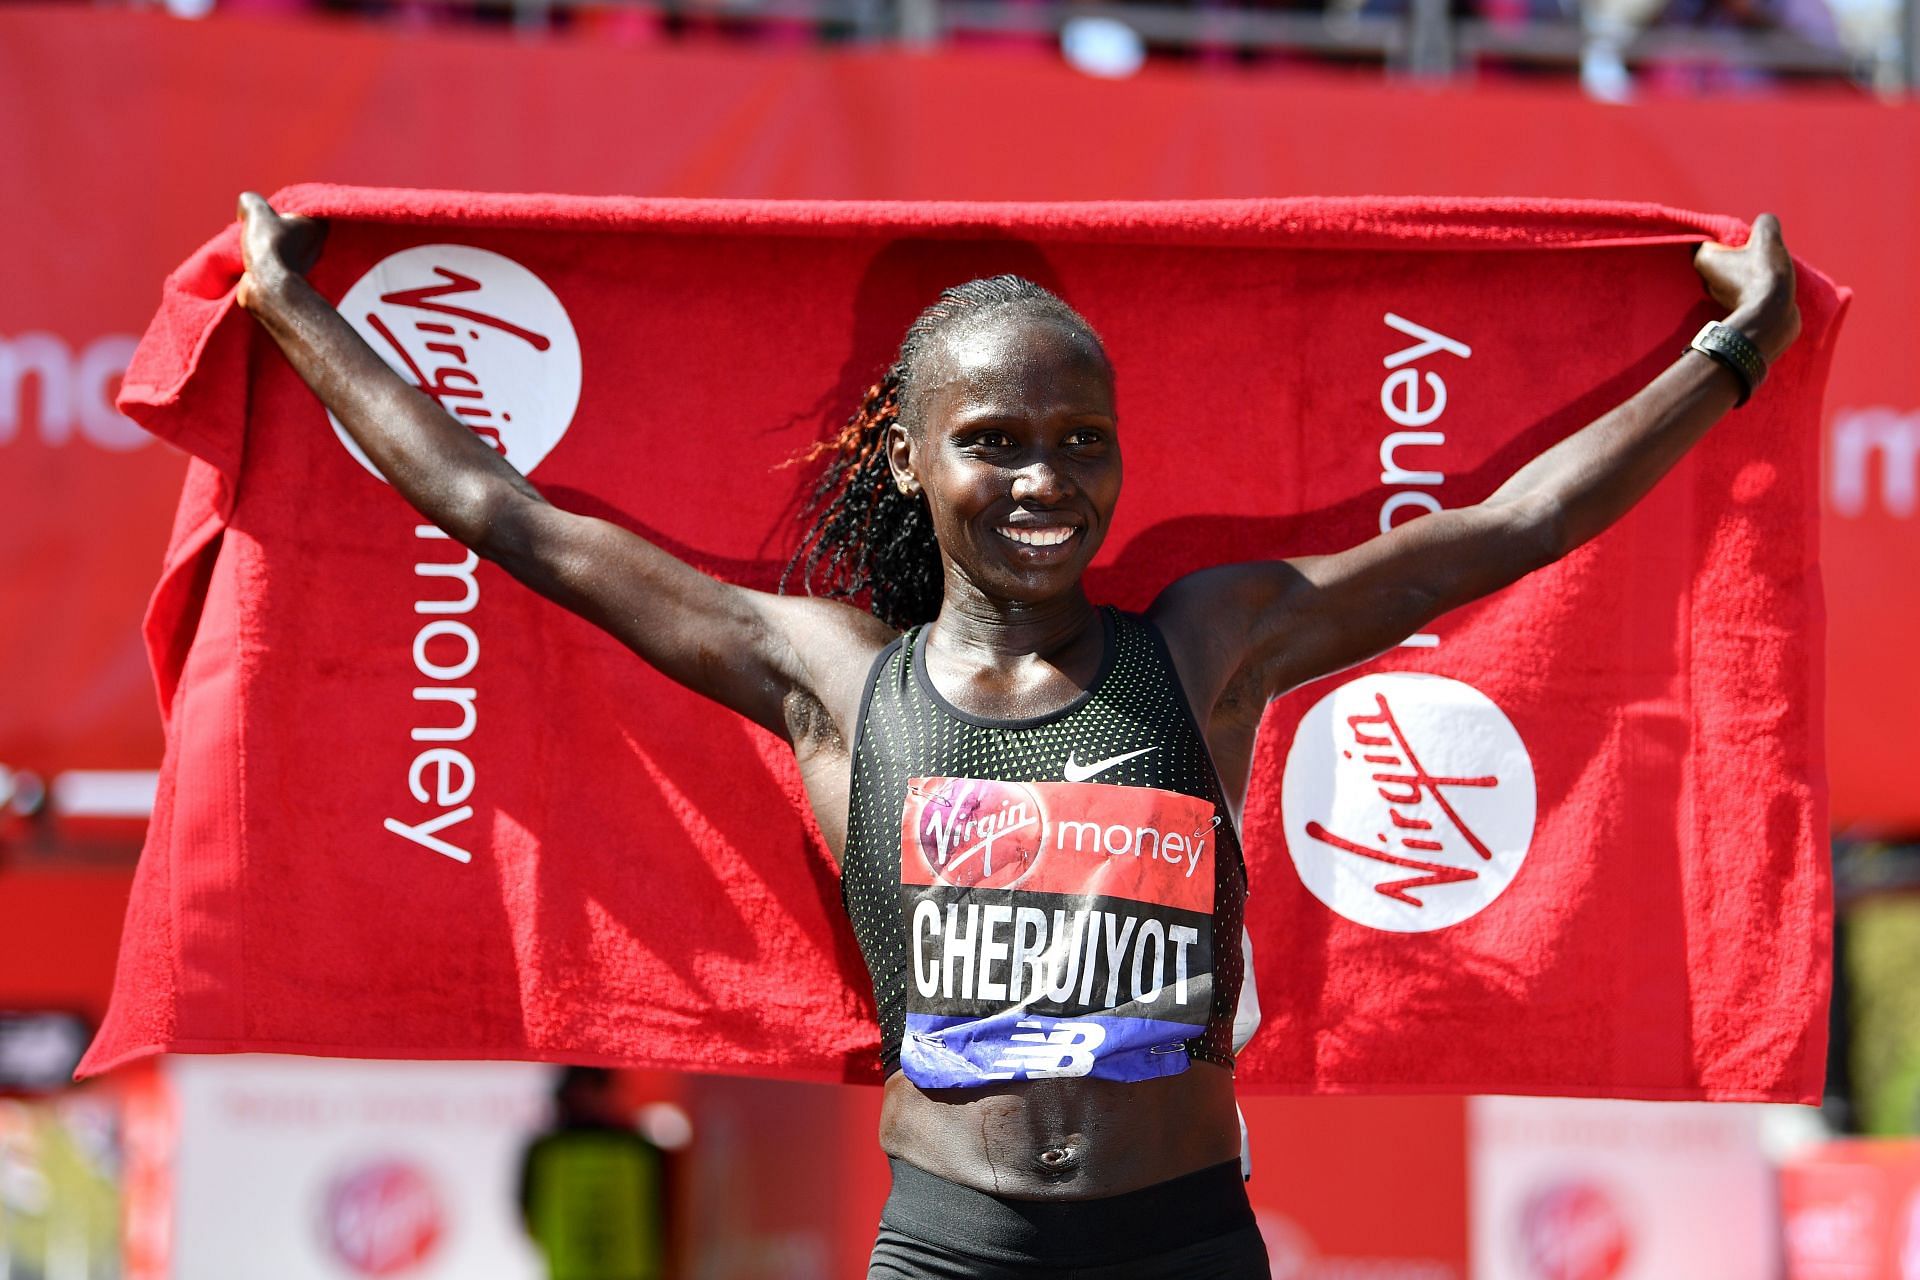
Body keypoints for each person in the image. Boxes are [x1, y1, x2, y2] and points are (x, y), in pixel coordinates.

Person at [233, 191, 1800, 1279]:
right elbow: (499, 510)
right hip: (952, 1248)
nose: (1044, 481)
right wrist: (288, 302)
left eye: (1080, 443)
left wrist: (1730, 354)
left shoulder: (1211, 643)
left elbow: (1512, 526)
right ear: (908, 461)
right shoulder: (836, 681)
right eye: (992, 443)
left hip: (1185, 1241)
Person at [517, 1067, 671, 1280]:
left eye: (595, 1088)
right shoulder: (637, 1148)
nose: (588, 1098)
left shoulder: (639, 1149)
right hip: (576, 1267)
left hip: (615, 1267)